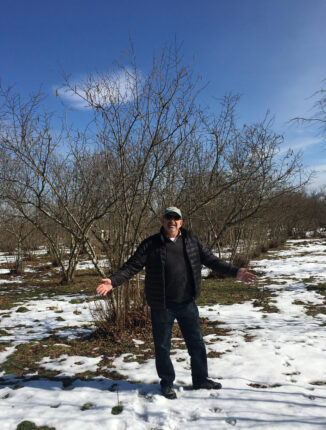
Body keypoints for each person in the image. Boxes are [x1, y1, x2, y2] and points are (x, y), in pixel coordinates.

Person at [97, 207, 256, 399]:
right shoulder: (151, 244)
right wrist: (113, 281)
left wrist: (236, 272)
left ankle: (200, 379)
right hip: (161, 305)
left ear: (181, 222)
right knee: (163, 346)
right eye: (168, 217)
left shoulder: (191, 241)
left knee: (196, 344)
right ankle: (166, 383)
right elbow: (132, 266)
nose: (172, 221)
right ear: (162, 221)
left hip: (187, 303)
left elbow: (212, 260)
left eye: (176, 218)